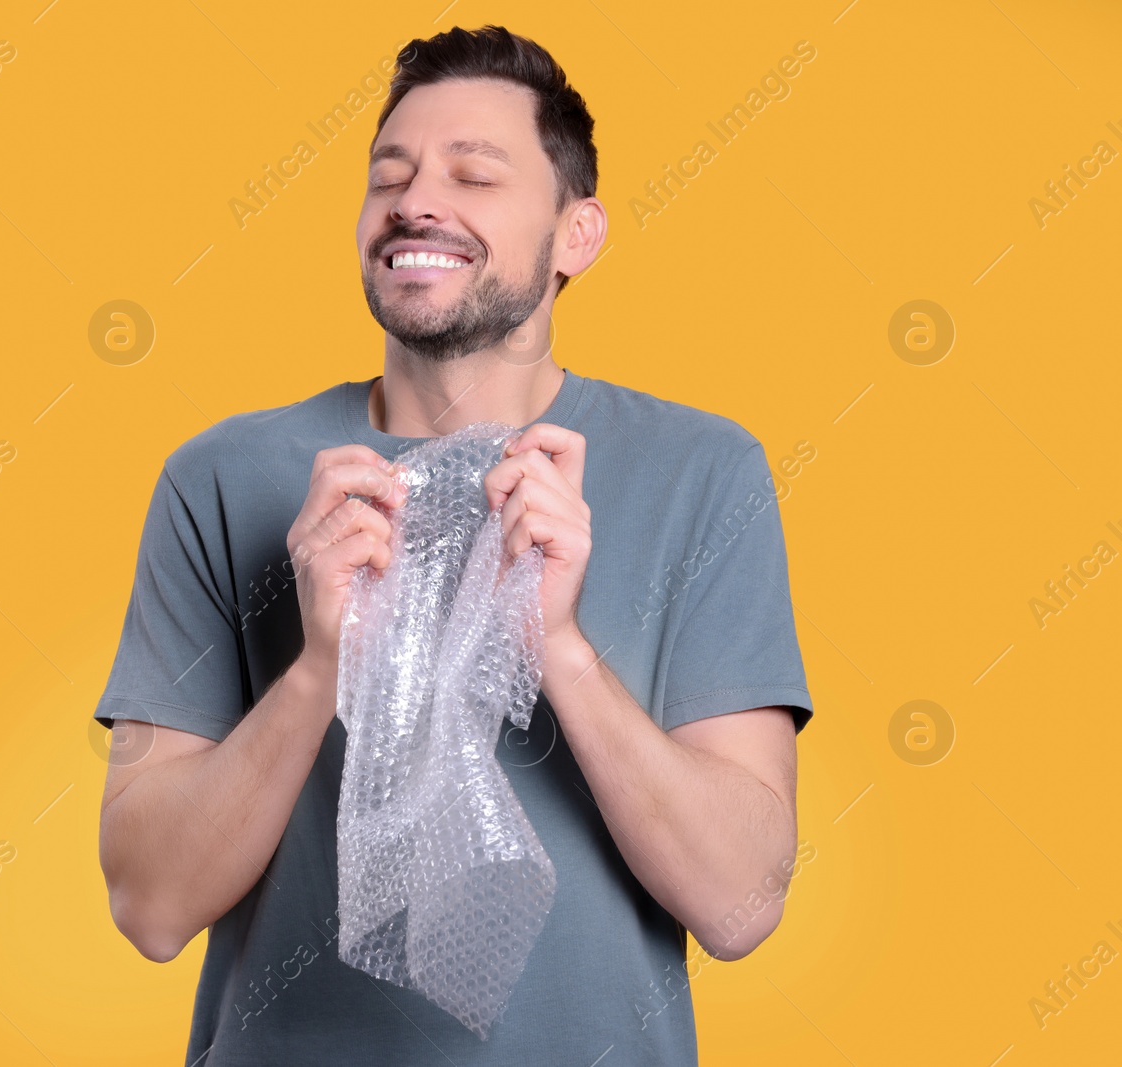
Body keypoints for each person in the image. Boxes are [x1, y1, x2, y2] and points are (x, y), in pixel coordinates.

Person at [93, 24, 814, 1066]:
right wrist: (317, 668)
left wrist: (559, 644)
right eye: (390, 175)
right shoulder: (220, 478)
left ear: (577, 234)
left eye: (473, 174)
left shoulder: (703, 472)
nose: (416, 200)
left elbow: (741, 903)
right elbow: (150, 904)